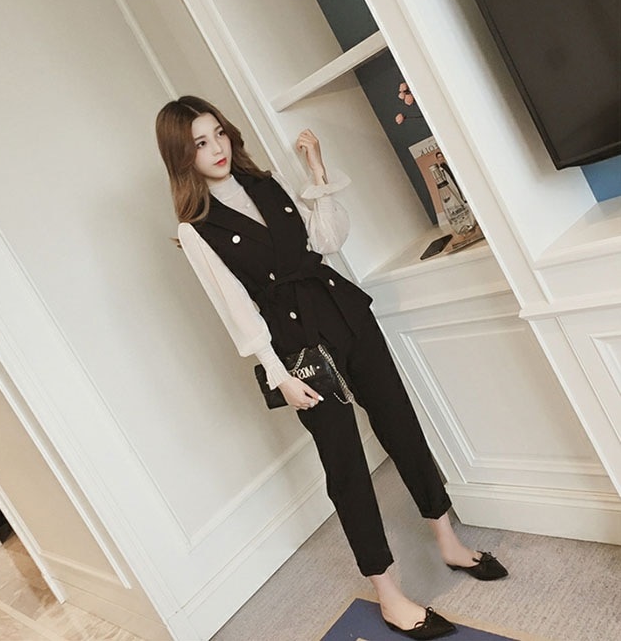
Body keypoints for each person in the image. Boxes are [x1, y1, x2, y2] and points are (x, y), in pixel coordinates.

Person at [156, 96, 507, 640]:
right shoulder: (195, 228)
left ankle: (448, 542)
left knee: (401, 427)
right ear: (182, 156)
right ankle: (387, 592)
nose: (217, 148)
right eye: (200, 142)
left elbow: (326, 241)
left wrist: (316, 175)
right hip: (297, 348)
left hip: (344, 311)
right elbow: (236, 308)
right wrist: (279, 376)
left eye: (219, 133)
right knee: (345, 466)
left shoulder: (267, 184)